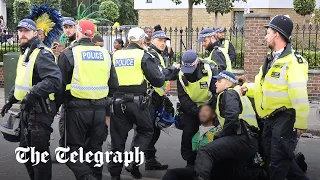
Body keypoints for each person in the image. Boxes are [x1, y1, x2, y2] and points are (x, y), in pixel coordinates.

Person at [241, 15, 310, 180]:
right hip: (270, 118)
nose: (265, 36)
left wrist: (301, 121)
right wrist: (247, 89)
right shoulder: (271, 59)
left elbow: (299, 93)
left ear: (277, 35)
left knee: (279, 162)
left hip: (285, 117)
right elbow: (264, 86)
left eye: (268, 32)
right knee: (276, 157)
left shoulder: (293, 62)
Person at [57, 19, 119, 180]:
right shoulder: (105, 54)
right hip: (99, 110)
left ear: (78, 32)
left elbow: (59, 85)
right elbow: (114, 85)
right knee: (95, 151)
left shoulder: (69, 54)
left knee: (70, 151)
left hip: (75, 110)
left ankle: (87, 177)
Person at [1, 18, 62, 180]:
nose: (22, 34)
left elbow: (54, 80)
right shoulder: (26, 53)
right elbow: (21, 82)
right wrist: (10, 100)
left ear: (35, 33)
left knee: (39, 155)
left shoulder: (41, 53)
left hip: (40, 111)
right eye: (20, 31)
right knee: (26, 152)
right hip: (28, 110)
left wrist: (32, 94)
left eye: (26, 31)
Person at [108, 27, 165, 180]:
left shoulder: (115, 55)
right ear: (141, 40)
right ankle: (133, 160)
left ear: (128, 40)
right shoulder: (144, 55)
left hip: (117, 102)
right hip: (138, 102)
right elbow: (158, 80)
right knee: (146, 131)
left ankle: (114, 174)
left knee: (117, 140)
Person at [194, 70, 259, 180]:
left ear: (228, 83)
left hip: (241, 138)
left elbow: (232, 117)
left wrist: (221, 135)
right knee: (232, 172)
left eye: (219, 80)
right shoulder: (238, 93)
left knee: (205, 152)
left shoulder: (229, 93)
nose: (215, 83)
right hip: (249, 139)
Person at [141, 30, 180, 170]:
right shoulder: (151, 55)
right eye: (160, 40)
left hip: (156, 97)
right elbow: (161, 74)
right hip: (150, 98)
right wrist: (173, 69)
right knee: (149, 131)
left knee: (154, 130)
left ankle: (149, 160)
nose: (163, 43)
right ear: (152, 41)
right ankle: (142, 160)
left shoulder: (158, 54)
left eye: (164, 41)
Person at [177, 50, 219, 167]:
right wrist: (197, 112)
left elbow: (216, 90)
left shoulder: (209, 70)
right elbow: (183, 97)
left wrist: (211, 111)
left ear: (197, 63)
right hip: (191, 108)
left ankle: (210, 162)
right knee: (188, 136)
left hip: (210, 107)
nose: (188, 73)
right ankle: (190, 162)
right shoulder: (181, 75)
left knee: (212, 136)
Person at [162, 104, 220, 180]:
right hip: (198, 168)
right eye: (201, 111)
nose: (202, 113)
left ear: (213, 114)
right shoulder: (196, 134)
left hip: (210, 170)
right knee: (171, 174)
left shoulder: (217, 133)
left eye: (206, 110)